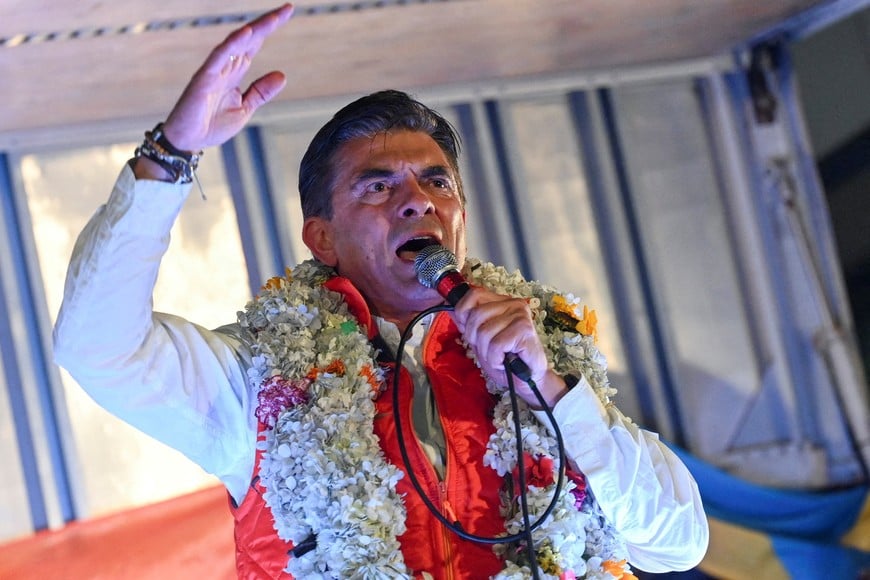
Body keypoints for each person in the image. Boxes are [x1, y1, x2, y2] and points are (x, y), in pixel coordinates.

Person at [53, 4, 708, 579]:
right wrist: (168, 156)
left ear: (462, 216)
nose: (417, 201)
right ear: (323, 238)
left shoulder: (543, 355)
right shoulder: (261, 382)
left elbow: (678, 543)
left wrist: (552, 391)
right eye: (377, 186)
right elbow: (98, 347)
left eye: (437, 182)